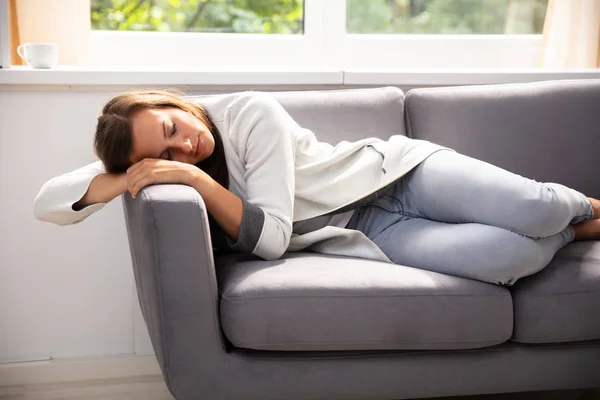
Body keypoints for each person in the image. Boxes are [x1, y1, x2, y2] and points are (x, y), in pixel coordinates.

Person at [34, 89, 600, 287]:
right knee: (510, 256)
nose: (186, 147)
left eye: (171, 127)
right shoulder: (181, 168)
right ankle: (572, 232)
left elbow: (273, 235)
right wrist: (114, 176)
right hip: (373, 231)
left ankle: (582, 210)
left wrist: (186, 176)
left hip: (398, 173)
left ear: (169, 101)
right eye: (163, 156)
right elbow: (47, 206)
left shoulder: (247, 115)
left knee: (532, 205)